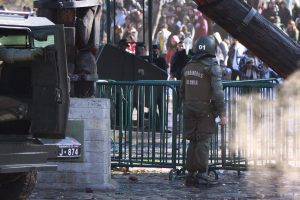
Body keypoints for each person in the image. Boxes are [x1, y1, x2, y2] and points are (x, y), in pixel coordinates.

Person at [180, 35, 226, 187]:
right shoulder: (212, 66)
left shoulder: (188, 66)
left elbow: (182, 90)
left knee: (192, 141)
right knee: (203, 141)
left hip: (188, 107)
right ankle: (202, 175)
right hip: (205, 109)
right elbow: (218, 93)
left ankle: (190, 175)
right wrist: (222, 114)